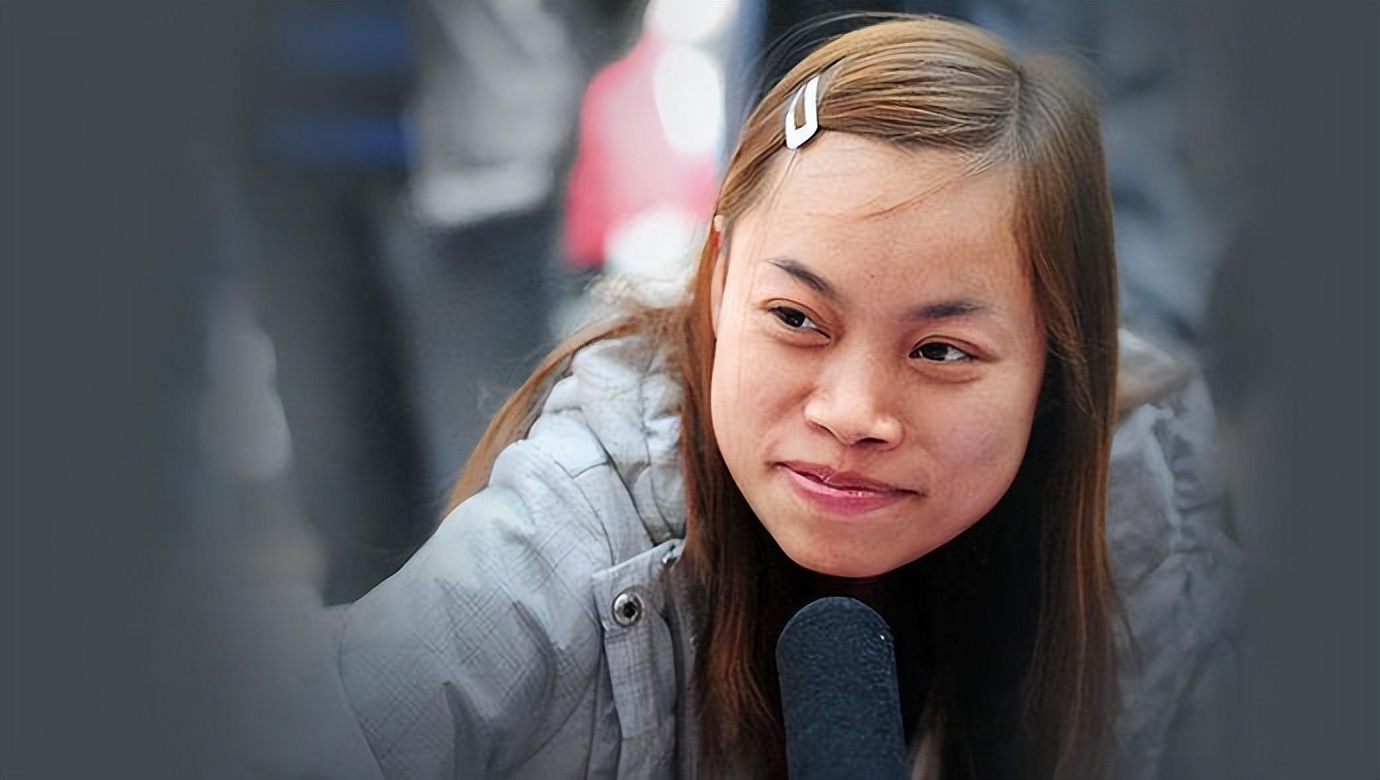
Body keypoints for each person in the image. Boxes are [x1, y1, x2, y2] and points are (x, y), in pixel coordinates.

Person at [226, 14, 1238, 780]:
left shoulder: (1161, 523)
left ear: (1060, 362)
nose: (853, 413)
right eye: (797, 320)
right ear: (716, 283)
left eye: (941, 350)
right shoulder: (582, 526)